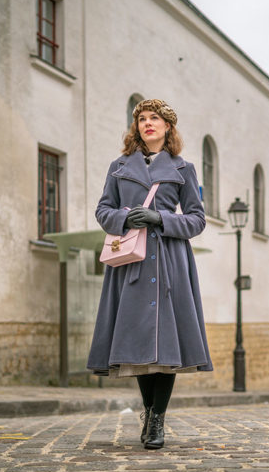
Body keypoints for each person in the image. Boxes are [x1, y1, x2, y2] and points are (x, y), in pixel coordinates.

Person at [87, 99, 212, 450]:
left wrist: (161, 219)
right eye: (142, 119)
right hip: (132, 261)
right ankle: (149, 410)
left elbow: (197, 219)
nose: (147, 123)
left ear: (168, 126)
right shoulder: (119, 166)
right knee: (138, 344)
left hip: (169, 260)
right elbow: (102, 209)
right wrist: (125, 218)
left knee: (165, 346)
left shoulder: (183, 169)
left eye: (155, 118)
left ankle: (157, 419)